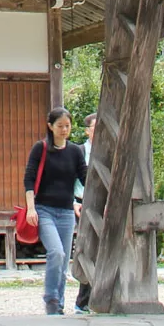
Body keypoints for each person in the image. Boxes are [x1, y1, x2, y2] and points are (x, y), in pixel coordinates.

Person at [23, 106, 87, 315]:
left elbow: (86, 178)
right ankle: (50, 298)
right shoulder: (40, 149)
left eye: (67, 126)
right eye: (60, 126)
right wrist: (31, 209)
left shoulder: (75, 151)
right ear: (50, 126)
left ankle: (58, 302)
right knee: (56, 253)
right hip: (44, 210)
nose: (64, 129)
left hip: (67, 212)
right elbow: (29, 179)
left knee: (64, 259)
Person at [73, 111, 97, 314]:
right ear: (87, 130)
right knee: (87, 249)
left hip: (105, 206)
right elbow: (70, 181)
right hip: (81, 204)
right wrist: (73, 203)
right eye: (94, 128)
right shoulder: (80, 152)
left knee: (103, 251)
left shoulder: (110, 151)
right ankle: (83, 301)